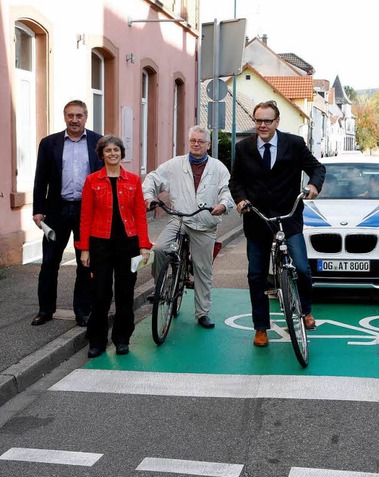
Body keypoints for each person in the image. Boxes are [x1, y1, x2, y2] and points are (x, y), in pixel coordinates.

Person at [229, 100, 326, 348]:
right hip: (257, 218)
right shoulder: (243, 148)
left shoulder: (294, 144)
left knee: (302, 268)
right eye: (258, 120)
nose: (262, 125)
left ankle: (305, 311)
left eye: (267, 121)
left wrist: (313, 185)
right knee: (255, 276)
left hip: (288, 217)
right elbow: (235, 181)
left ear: (277, 122)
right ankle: (261, 328)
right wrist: (240, 201)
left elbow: (317, 168)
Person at [142, 126, 234, 329]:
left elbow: (227, 191)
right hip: (180, 219)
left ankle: (202, 312)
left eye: (201, 141)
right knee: (159, 249)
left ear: (208, 144)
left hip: (204, 223)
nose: (196, 144)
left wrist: (223, 205)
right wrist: (149, 197)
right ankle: (161, 287)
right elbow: (153, 177)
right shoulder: (176, 164)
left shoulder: (218, 168)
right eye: (193, 140)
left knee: (202, 269)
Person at [76, 136, 151, 358]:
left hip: (128, 243)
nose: (112, 153)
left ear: (121, 153)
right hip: (100, 243)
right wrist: (84, 248)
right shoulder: (92, 181)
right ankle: (97, 341)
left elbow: (139, 214)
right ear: (102, 155)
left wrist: (144, 245)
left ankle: (122, 339)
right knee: (100, 293)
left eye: (116, 150)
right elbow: (85, 216)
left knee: (125, 293)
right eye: (108, 150)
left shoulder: (133, 180)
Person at [31, 100, 103, 327]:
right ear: (64, 117)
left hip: (87, 210)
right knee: (50, 262)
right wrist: (38, 210)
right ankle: (45, 310)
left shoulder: (98, 142)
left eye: (79, 115)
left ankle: (82, 311)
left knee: (86, 263)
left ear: (86, 117)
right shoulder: (49, 143)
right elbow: (40, 178)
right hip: (56, 209)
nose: (74, 120)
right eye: (70, 115)